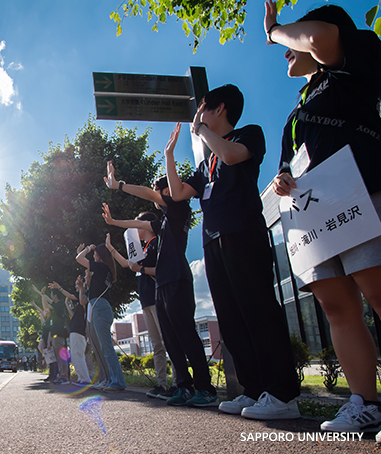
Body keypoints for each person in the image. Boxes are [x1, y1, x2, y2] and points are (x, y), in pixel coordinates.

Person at [265, 1, 381, 433]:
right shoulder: (300, 103)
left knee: (377, 288)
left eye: (289, 41)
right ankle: (365, 402)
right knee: (336, 306)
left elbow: (316, 39)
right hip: (313, 215)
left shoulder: (355, 58)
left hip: (361, 191)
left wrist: (275, 28)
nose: (284, 50)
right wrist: (281, 179)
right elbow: (288, 161)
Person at [165, 84, 300, 420]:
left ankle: (282, 394)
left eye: (203, 109)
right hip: (213, 240)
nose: (199, 116)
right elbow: (179, 192)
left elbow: (230, 155)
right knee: (230, 317)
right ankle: (254, 391)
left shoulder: (248, 135)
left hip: (243, 232)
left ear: (219, 109)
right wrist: (169, 156)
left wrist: (201, 131)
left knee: (258, 310)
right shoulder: (207, 159)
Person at [104, 162, 218, 407]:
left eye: (159, 190)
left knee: (186, 336)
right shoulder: (164, 223)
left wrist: (119, 185)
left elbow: (148, 193)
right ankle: (184, 387)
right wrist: (114, 223)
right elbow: (139, 225)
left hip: (177, 280)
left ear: (168, 192)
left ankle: (205, 389)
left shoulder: (179, 210)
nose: (156, 195)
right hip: (162, 285)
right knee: (171, 340)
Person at [101, 206, 169, 396]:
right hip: (146, 300)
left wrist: (140, 268)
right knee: (156, 345)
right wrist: (111, 249)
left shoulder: (157, 243)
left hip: (158, 298)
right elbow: (127, 264)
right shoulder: (143, 248)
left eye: (137, 224)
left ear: (147, 225)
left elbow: (161, 270)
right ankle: (162, 384)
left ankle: (181, 384)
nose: (134, 228)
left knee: (167, 341)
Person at [76, 240, 126, 392]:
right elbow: (91, 286)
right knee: (103, 347)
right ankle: (110, 380)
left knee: (106, 347)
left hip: (99, 308)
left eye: (96, 252)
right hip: (100, 307)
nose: (94, 255)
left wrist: (88, 249)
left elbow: (79, 259)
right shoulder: (106, 269)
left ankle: (117, 381)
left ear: (99, 254)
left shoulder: (101, 266)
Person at [49, 279, 91, 386]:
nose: (76, 285)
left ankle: (85, 379)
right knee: (75, 355)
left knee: (78, 354)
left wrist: (59, 288)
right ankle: (82, 378)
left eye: (78, 284)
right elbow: (73, 315)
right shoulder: (79, 301)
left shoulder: (84, 297)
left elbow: (70, 295)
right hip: (74, 330)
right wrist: (67, 304)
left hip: (78, 331)